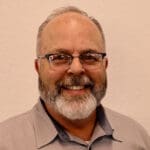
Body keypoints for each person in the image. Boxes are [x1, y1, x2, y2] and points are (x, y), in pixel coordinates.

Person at [0, 6, 150, 150]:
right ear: (38, 67)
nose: (77, 69)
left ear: (105, 65)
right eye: (59, 57)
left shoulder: (136, 139)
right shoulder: (6, 143)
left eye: (90, 57)